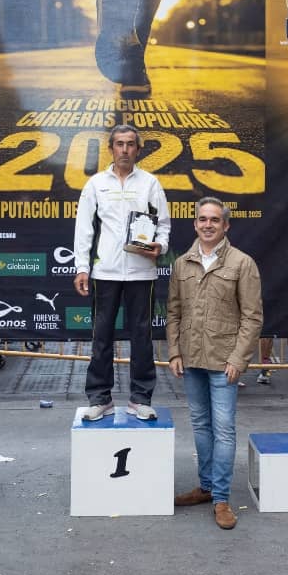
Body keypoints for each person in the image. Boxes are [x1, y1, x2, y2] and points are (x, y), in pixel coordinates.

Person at [167, 197, 263, 529]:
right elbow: (173, 312)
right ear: (195, 224)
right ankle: (206, 487)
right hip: (191, 358)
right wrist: (174, 352)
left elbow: (252, 318)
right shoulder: (182, 264)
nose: (208, 225)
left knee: (223, 429)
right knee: (200, 425)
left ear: (226, 225)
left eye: (214, 220)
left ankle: (221, 498)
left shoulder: (242, 263)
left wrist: (238, 358)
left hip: (224, 362)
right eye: (203, 219)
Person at [73, 124, 171, 421]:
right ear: (111, 148)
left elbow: (163, 225)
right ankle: (100, 398)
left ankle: (140, 399)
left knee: (142, 337)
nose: (125, 149)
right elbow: (84, 229)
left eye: (130, 144)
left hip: (142, 272)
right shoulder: (96, 184)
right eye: (119, 144)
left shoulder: (150, 183)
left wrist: (160, 246)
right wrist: (82, 267)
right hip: (105, 272)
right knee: (101, 336)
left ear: (138, 149)